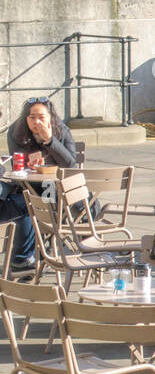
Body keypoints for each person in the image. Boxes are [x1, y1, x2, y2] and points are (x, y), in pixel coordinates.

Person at [3, 97, 80, 271]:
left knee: (80, 196)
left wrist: (50, 140)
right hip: (28, 187)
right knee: (24, 202)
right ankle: (24, 258)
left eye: (41, 117)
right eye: (31, 117)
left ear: (50, 117)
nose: (36, 122)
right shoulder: (16, 132)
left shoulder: (61, 130)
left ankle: (85, 237)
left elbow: (70, 165)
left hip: (55, 187)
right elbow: (18, 167)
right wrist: (28, 165)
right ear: (26, 119)